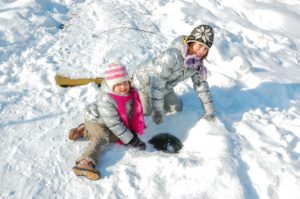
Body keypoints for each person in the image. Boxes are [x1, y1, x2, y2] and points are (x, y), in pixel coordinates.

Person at [69, 63, 146, 180]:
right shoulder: (106, 100)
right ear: (111, 86)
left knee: (118, 136)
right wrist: (132, 139)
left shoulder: (130, 94)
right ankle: (85, 162)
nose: (123, 87)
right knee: (103, 137)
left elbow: (130, 112)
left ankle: (84, 131)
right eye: (118, 84)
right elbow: (115, 124)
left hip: (107, 120)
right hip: (96, 120)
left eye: (125, 82)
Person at [132, 24, 216, 125]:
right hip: (145, 83)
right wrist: (158, 111)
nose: (201, 51)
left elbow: (202, 87)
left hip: (165, 87)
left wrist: (209, 112)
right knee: (147, 113)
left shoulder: (196, 64)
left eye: (205, 49)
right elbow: (158, 83)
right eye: (200, 45)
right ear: (192, 41)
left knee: (177, 108)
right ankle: (132, 91)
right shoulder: (172, 55)